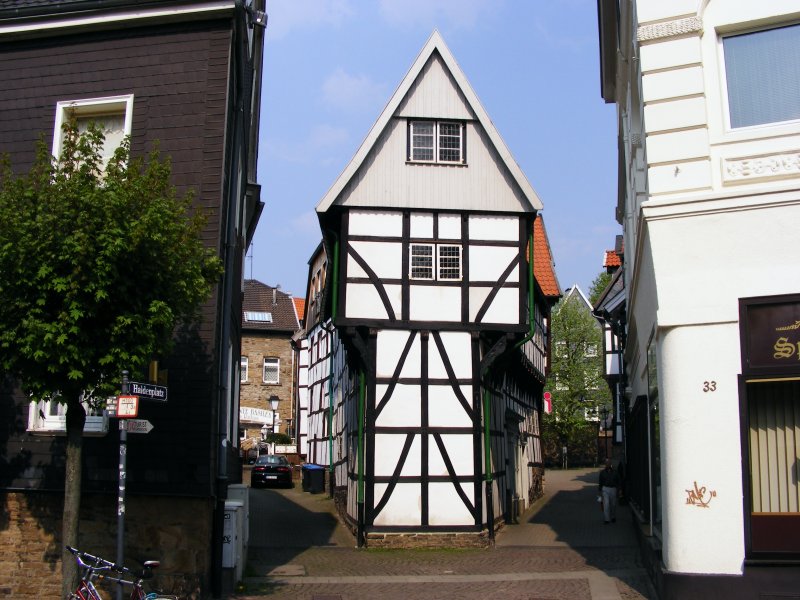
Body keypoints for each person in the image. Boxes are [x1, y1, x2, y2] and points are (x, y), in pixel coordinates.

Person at [598, 458, 620, 524]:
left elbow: (618, 481)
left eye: (609, 463)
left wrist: (619, 489)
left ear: (611, 464)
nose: (608, 464)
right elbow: (600, 482)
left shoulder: (615, 472)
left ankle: (613, 517)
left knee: (613, 504)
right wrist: (600, 492)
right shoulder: (602, 473)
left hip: (613, 489)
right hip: (605, 489)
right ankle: (607, 519)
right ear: (605, 464)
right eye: (606, 463)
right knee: (606, 504)